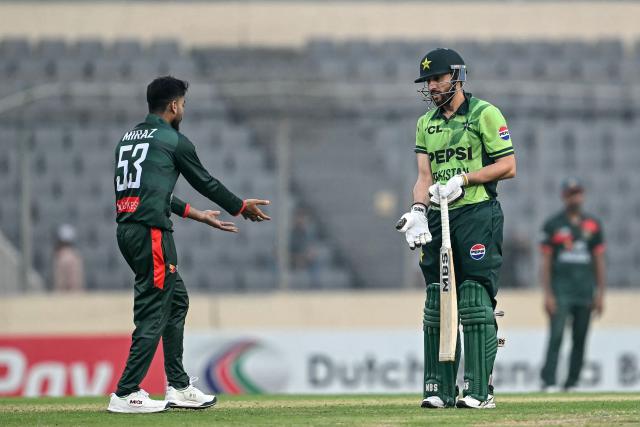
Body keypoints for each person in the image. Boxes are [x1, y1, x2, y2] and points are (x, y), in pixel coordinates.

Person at [108, 76, 271, 413]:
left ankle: (179, 386)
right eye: (183, 104)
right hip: (151, 233)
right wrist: (240, 207)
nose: (183, 109)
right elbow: (205, 181)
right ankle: (126, 393)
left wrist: (195, 214)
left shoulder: (129, 139)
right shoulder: (173, 140)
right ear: (173, 106)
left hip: (128, 230)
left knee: (176, 300)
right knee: (154, 309)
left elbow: (150, 192)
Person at [396, 48, 516, 409]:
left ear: (457, 77)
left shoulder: (484, 113)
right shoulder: (425, 123)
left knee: (474, 298)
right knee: (437, 297)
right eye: (427, 81)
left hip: (477, 212)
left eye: (437, 78)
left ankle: (481, 390)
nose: (431, 86)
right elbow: (424, 177)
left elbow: (508, 165)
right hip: (439, 215)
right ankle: (439, 388)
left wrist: (465, 178)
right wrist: (419, 210)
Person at [539, 178, 606, 392]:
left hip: (585, 291)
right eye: (571, 193)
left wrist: (600, 293)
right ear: (564, 196)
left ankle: (573, 381)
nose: (575, 197)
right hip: (561, 291)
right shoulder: (553, 225)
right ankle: (549, 380)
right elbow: (546, 262)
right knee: (556, 335)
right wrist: (548, 294)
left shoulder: (593, 225)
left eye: (578, 193)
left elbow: (598, 261)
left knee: (580, 337)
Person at [52, 224, 85, 292]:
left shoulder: (62, 257)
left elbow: (65, 283)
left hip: (66, 296)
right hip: (77, 295)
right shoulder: (76, 255)